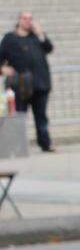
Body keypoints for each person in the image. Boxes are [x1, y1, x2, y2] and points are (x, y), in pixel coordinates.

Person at [0, 11, 55, 151]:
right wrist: (2, 68)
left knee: (41, 116)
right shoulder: (10, 38)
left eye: (30, 18)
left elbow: (49, 48)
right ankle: (18, 147)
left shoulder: (36, 37)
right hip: (19, 85)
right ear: (19, 20)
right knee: (18, 116)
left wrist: (40, 34)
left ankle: (45, 144)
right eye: (25, 18)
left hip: (40, 83)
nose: (27, 21)